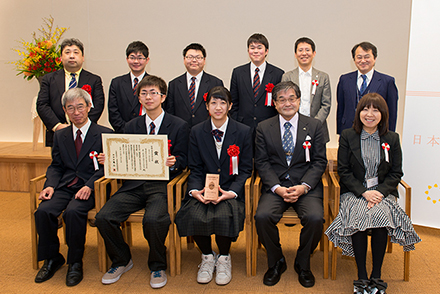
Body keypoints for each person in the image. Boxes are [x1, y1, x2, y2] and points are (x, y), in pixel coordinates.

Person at [95, 75, 189, 289]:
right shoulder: (131, 125)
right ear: (138, 98)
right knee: (104, 217)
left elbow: (185, 159)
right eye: (143, 93)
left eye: (153, 93)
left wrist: (175, 162)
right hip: (133, 186)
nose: (148, 97)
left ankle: (157, 264)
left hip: (161, 186)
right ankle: (122, 259)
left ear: (163, 97)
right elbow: (124, 155)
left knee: (154, 220)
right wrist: (109, 160)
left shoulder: (179, 125)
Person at [325, 93, 421, 294]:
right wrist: (364, 193)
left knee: (380, 216)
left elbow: (396, 172)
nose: (370, 114)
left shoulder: (392, 138)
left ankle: (376, 276)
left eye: (375, 110)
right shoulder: (348, 136)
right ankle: (361, 277)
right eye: (365, 109)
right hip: (355, 192)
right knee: (360, 216)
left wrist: (378, 193)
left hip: (382, 193)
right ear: (359, 112)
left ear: (383, 114)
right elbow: (343, 171)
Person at [34, 88, 112, 286]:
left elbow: (109, 168)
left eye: (80, 107)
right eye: (71, 108)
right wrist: (50, 185)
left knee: (73, 213)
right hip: (65, 185)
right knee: (43, 211)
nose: (76, 112)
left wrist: (89, 186)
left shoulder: (105, 134)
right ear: (64, 110)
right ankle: (52, 258)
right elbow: (56, 165)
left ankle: (75, 262)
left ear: (89, 107)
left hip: (91, 187)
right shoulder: (61, 136)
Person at [175, 86, 253, 285]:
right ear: (207, 106)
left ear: (230, 106)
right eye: (213, 103)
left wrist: (232, 192)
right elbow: (194, 167)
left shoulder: (243, 131)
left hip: (229, 188)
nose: (218, 107)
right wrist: (195, 191)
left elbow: (245, 169)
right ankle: (208, 257)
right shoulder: (197, 131)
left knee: (223, 215)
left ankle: (225, 257)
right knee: (194, 214)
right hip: (204, 188)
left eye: (223, 103)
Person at [254, 81, 327, 287]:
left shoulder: (314, 126)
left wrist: (304, 186)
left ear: (299, 100)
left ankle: (303, 263)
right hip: (276, 186)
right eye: (282, 99)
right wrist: (277, 187)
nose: (287, 103)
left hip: (306, 188)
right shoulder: (263, 128)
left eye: (291, 98)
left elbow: (319, 161)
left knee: (315, 218)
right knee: (262, 216)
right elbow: (262, 162)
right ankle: (276, 260)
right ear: (275, 104)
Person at [37, 38, 105, 147]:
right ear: (60, 58)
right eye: (67, 52)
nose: (72, 56)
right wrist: (57, 126)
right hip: (58, 134)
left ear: (83, 58)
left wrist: (81, 126)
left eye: (76, 52)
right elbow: (42, 105)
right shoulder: (49, 79)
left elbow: (98, 105)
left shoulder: (94, 79)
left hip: (86, 134)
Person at [230, 33, 284, 139]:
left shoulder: (278, 73)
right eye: (252, 48)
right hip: (243, 126)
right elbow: (233, 102)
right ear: (248, 50)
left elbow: (280, 103)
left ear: (266, 51)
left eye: (259, 48)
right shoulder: (238, 72)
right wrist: (236, 121)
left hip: (269, 127)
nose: (255, 51)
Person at [337, 42, 398, 134]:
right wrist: (340, 133)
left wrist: (389, 135)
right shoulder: (344, 79)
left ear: (375, 58)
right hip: (349, 130)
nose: (363, 60)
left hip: (376, 132)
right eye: (359, 57)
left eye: (367, 57)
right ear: (354, 59)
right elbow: (341, 108)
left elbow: (392, 112)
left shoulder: (387, 81)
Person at [282, 37, 331, 143]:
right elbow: (285, 103)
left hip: (318, 128)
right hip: (293, 127)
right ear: (295, 54)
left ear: (314, 53)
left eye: (307, 50)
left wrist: (314, 124)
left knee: (318, 159)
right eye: (300, 50)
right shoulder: (287, 77)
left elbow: (326, 105)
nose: (304, 53)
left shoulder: (323, 77)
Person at [165, 43, 223, 128]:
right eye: (190, 57)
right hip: (181, 131)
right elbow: (170, 112)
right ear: (184, 59)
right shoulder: (174, 84)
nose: (194, 60)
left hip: (206, 131)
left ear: (204, 61)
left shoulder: (215, 83)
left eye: (198, 57)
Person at [108, 41, 150, 133]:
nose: (136, 61)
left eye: (140, 58)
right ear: (127, 59)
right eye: (132, 58)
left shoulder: (153, 83)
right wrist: (126, 131)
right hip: (123, 133)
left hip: (147, 133)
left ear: (147, 60)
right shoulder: (117, 83)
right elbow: (113, 112)